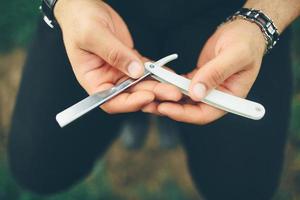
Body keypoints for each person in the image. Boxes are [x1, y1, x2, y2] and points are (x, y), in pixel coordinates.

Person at [8, 0, 300, 199]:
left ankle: (161, 108)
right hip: (100, 9)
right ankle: (142, 108)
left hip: (231, 12)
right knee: (39, 167)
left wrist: (262, 20)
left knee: (243, 190)